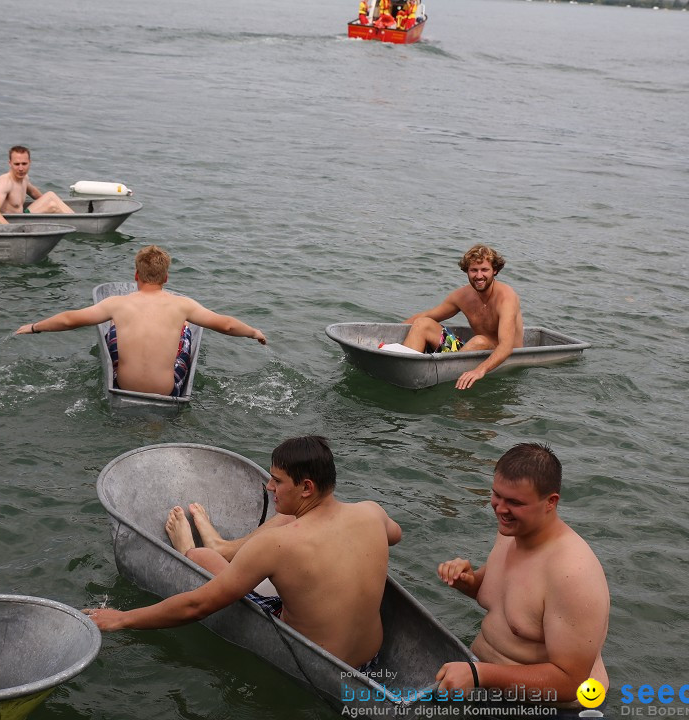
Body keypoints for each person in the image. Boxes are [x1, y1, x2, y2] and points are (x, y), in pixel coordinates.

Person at [84, 436, 403, 671]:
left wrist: (122, 619)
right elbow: (395, 535)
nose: (268, 487)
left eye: (277, 481)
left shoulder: (277, 544)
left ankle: (191, 550)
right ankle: (222, 546)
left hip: (317, 662)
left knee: (207, 563)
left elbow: (197, 606)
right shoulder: (371, 513)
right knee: (293, 518)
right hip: (369, 662)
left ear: (307, 487)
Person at [434, 444, 609, 708]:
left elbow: (571, 682)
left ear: (551, 502)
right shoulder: (512, 531)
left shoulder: (573, 573)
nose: (500, 509)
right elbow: (505, 599)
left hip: (553, 709)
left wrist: (479, 674)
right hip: (485, 684)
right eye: (497, 495)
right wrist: (469, 582)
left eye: (515, 502)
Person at [15, 245, 267, 397]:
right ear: (166, 278)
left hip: (124, 385)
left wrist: (34, 327)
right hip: (167, 391)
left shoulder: (117, 303)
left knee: (114, 326)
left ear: (136, 274)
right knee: (186, 329)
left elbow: (70, 319)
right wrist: (253, 331)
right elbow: (227, 325)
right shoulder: (182, 305)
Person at [401, 243, 523, 390]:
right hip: (468, 352)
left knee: (480, 340)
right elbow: (427, 315)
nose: (479, 276)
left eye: (484, 270)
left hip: (501, 356)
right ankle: (403, 371)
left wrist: (480, 371)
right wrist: (391, 334)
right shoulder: (463, 296)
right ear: (467, 271)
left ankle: (437, 376)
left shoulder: (506, 298)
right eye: (473, 270)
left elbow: (506, 347)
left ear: (495, 271)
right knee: (422, 323)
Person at [0, 145, 75, 224]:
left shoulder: (24, 178)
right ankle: (77, 224)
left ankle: (76, 218)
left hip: (23, 216)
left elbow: (34, 193)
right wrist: (11, 230)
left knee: (50, 195)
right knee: (52, 206)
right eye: (17, 164)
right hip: (14, 223)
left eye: (24, 164)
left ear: (30, 162)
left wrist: (46, 204)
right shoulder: (4, 182)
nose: (21, 168)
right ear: (10, 163)